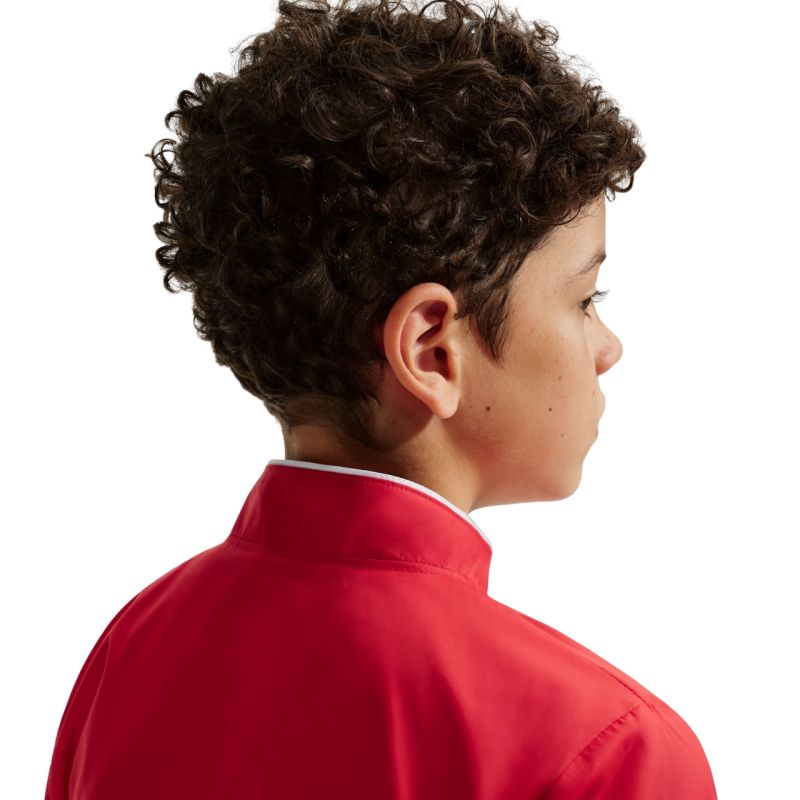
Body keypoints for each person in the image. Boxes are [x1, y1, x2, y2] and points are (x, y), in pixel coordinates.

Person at [45, 0, 718, 797]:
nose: (608, 349)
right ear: (432, 350)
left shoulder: (133, 652)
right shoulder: (609, 752)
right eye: (584, 299)